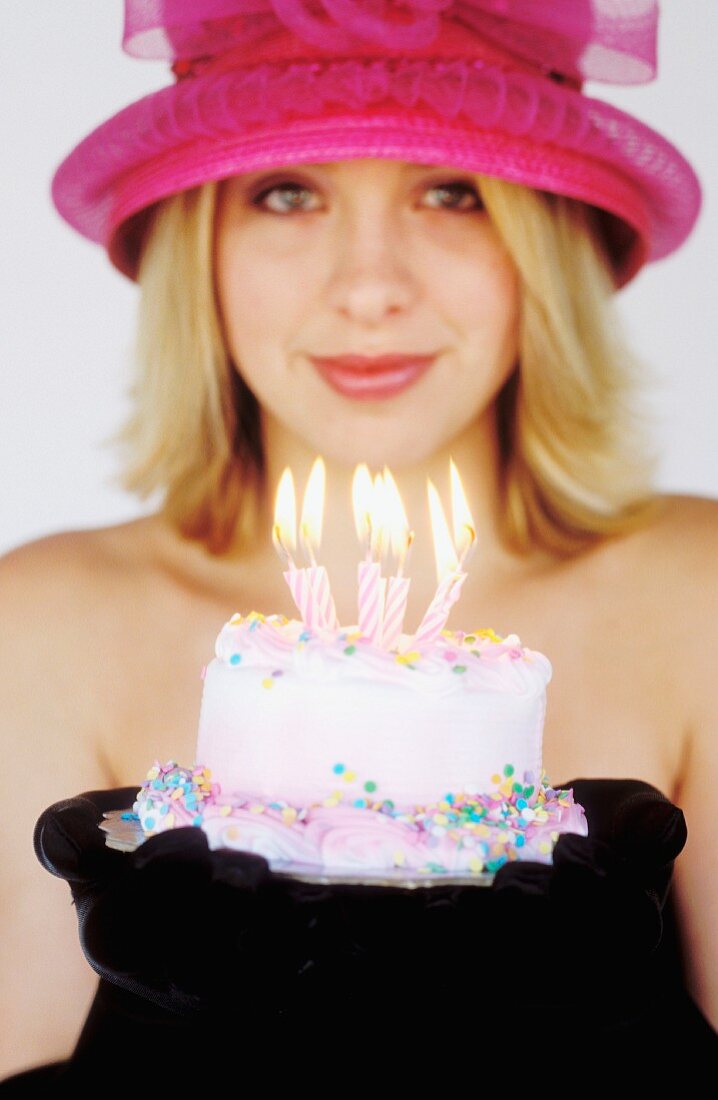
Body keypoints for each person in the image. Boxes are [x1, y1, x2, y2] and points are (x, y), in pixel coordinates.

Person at [2, 0, 717, 1082]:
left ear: (549, 239)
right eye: (287, 193)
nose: (370, 287)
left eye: (453, 192)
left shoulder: (698, 594)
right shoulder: (43, 622)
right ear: (200, 246)